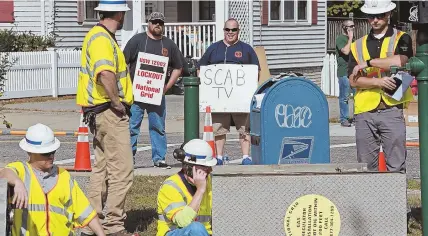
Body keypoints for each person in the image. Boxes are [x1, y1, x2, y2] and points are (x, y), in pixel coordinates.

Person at [75, 1, 135, 235]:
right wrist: (117, 102)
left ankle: (92, 225)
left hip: (98, 112)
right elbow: (106, 74)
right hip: (109, 112)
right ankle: (113, 225)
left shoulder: (99, 36)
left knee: (102, 168)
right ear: (119, 14)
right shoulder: (101, 39)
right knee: (122, 170)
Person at [0, 123, 105, 236]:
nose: (51, 156)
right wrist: (17, 182)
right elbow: (5, 173)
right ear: (30, 152)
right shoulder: (21, 171)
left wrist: (101, 234)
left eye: (53, 152)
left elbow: (85, 211)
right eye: (46, 153)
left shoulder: (63, 176)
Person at [348, 0, 413, 172]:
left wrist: (368, 63)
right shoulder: (357, 45)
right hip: (364, 111)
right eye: (371, 16)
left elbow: (401, 60)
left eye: (380, 15)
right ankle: (370, 200)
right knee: (365, 167)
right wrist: (377, 82)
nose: (375, 20)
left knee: (396, 165)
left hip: (392, 107)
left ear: (389, 14)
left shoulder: (402, 37)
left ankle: (395, 199)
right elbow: (353, 80)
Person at [123, 12, 184, 169]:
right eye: (154, 22)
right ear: (148, 23)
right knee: (132, 126)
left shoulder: (169, 45)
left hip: (157, 94)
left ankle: (159, 158)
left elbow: (178, 67)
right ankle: (129, 158)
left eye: (160, 23)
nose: (158, 25)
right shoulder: (137, 40)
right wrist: (127, 84)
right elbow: (123, 62)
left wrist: (166, 87)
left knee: (158, 126)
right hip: (136, 94)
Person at [196, 18, 261, 166]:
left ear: (238, 31)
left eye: (234, 30)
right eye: (227, 30)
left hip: (240, 98)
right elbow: (201, 68)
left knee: (244, 128)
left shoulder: (246, 49)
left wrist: (249, 88)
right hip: (219, 98)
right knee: (219, 128)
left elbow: (255, 70)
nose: (230, 33)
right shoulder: (214, 48)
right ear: (223, 30)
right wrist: (206, 84)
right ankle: (218, 156)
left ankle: (245, 157)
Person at [156, 139, 216, 236]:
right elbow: (183, 222)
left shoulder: (210, 181)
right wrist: (200, 190)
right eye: (205, 167)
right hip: (175, 232)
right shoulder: (170, 187)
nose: (209, 170)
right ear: (189, 167)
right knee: (196, 228)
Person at [335, 19, 356, 127]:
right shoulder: (341, 39)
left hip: (354, 72)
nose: (353, 28)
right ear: (344, 28)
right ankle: (344, 119)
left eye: (353, 26)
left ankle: (358, 117)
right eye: (350, 26)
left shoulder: (352, 40)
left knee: (358, 95)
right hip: (344, 72)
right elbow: (346, 51)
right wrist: (350, 38)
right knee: (345, 97)